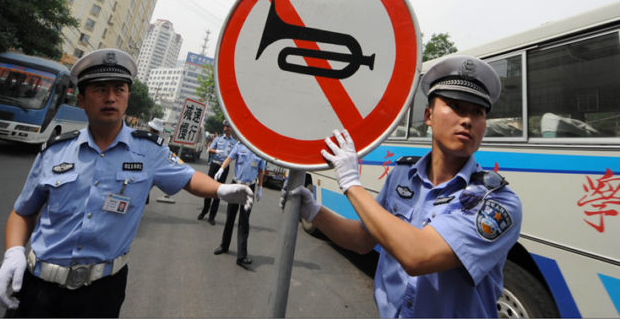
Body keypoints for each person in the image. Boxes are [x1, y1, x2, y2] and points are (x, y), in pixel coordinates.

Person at [0, 49, 253, 317]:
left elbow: (188, 177)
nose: (110, 98)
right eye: (100, 89)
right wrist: (12, 254)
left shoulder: (149, 151)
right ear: (81, 99)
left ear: (127, 98)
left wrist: (220, 189)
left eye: (119, 89)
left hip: (101, 294)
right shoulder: (55, 151)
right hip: (38, 287)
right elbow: (23, 212)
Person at [282, 55, 522, 318]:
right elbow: (363, 239)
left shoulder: (496, 202)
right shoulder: (402, 176)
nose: (467, 120)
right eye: (455, 106)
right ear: (428, 116)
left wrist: (351, 183)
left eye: (478, 112)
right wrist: (314, 211)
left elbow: (417, 255)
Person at [212, 141, 265, 267]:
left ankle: (241, 256)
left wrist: (260, 187)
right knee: (230, 217)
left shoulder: (260, 150)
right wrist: (221, 168)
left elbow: (261, 170)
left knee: (244, 221)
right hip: (236, 184)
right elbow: (229, 158)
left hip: (249, 187)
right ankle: (224, 246)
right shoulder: (240, 145)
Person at [197, 121, 237, 225]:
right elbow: (209, 149)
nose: (226, 128)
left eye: (228, 127)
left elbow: (236, 155)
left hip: (224, 168)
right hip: (214, 165)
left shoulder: (234, 142)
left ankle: (212, 216)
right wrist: (216, 151)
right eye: (225, 126)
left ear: (231, 129)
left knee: (218, 192)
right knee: (208, 189)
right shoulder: (218, 139)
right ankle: (204, 210)